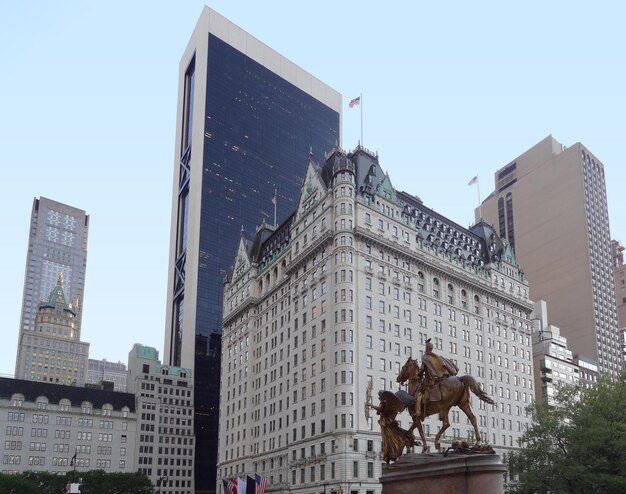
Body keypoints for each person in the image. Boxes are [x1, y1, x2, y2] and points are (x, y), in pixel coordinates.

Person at [414, 338, 458, 418]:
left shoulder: (425, 357)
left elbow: (421, 370)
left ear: (426, 348)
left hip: (430, 381)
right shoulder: (436, 357)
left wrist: (419, 374)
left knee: (419, 394)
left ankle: (418, 411)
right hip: (439, 379)